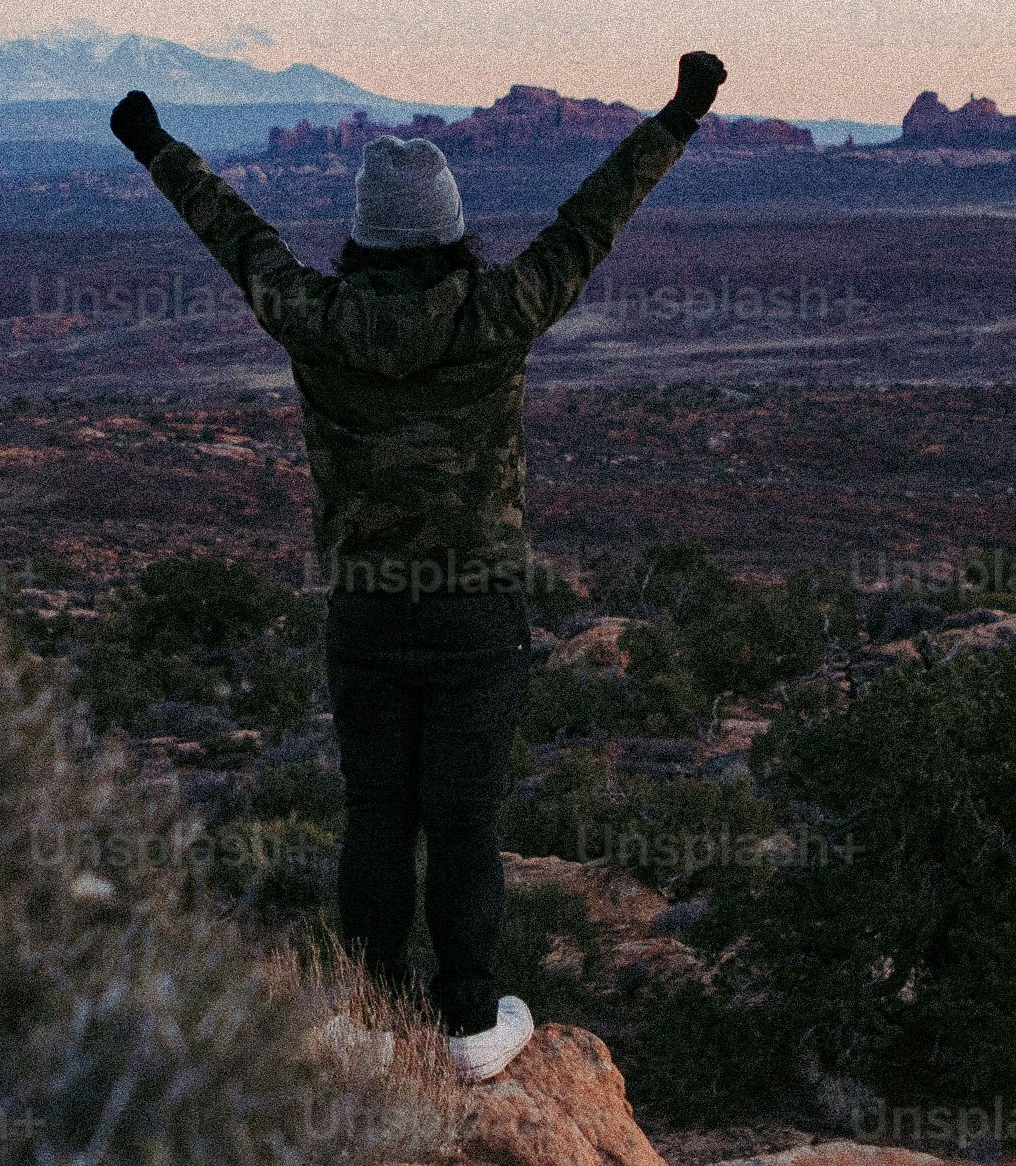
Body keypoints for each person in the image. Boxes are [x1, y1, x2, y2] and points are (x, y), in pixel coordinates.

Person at [110, 52, 723, 1081]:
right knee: (466, 820)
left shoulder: (313, 316)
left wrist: (155, 146)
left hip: (366, 610)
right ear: (448, 228)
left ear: (365, 232)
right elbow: (591, 219)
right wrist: (680, 114)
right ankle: (475, 1027)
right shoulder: (497, 311)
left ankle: (369, 1021)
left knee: (377, 812)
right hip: (476, 614)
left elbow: (234, 234)